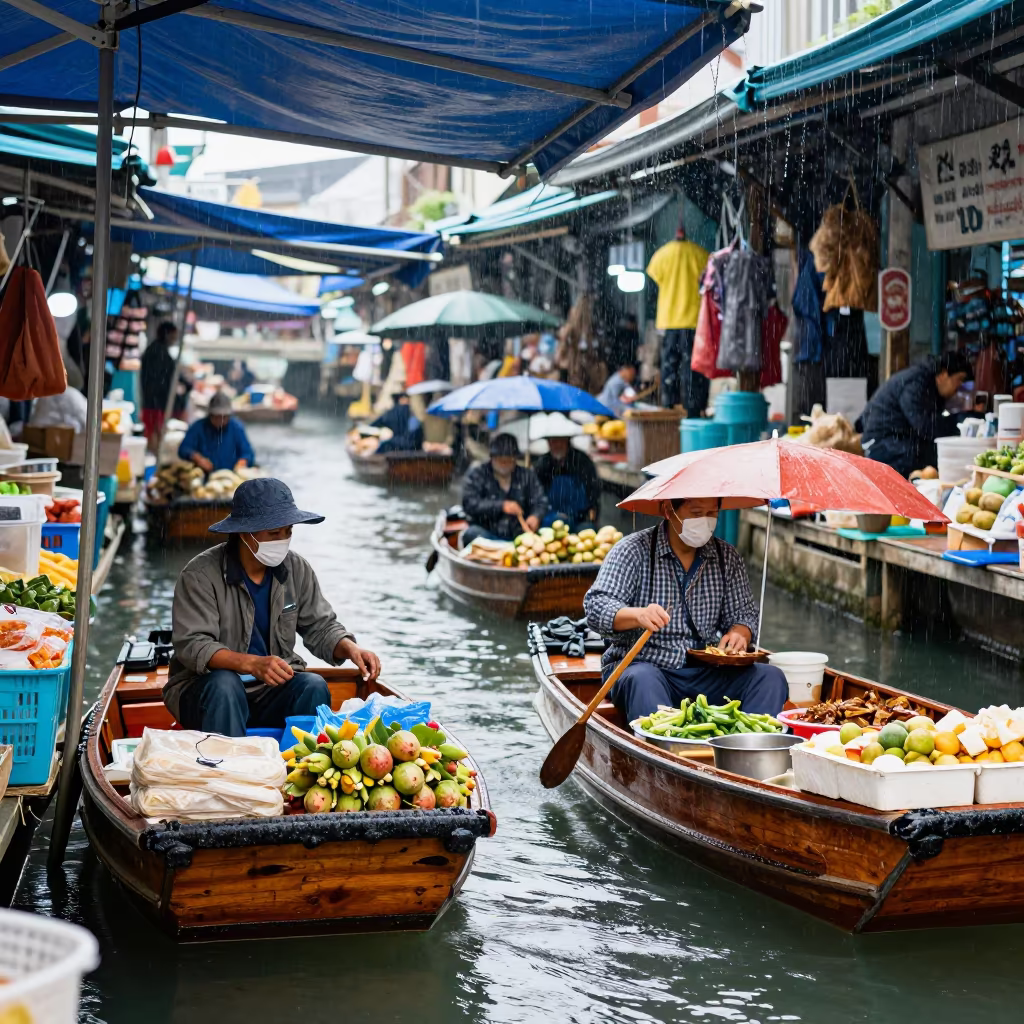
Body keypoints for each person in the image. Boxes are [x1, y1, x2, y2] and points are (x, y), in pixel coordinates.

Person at [165, 478, 381, 736]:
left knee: (313, 685)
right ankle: (227, 769)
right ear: (245, 533)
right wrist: (252, 664)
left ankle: (300, 768)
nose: (284, 539)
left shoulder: (296, 569)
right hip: (207, 693)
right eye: (274, 534)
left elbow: (320, 626)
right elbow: (193, 645)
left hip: (270, 691)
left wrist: (351, 649)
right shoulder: (200, 575)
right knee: (225, 684)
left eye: (288, 531)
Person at [583, 496, 787, 726]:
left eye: (712, 514)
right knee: (643, 680)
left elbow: (744, 614)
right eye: (697, 513)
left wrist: (740, 633)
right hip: (646, 668)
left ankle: (747, 748)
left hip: (707, 672)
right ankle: (664, 753)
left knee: (769, 677)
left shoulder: (726, 558)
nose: (706, 522)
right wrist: (638, 615)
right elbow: (596, 606)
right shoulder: (632, 550)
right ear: (669, 510)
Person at [859, 351, 975, 479]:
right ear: (943, 374)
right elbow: (926, 426)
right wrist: (961, 421)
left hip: (896, 440)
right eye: (959, 379)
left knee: (935, 453)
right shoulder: (916, 383)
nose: (959, 386)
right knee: (934, 455)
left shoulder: (929, 384)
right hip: (881, 444)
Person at [461, 433, 547, 545]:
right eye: (500, 460)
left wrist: (535, 516)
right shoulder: (478, 474)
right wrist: (501, 506)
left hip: (520, 536)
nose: (504, 464)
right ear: (492, 458)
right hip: (488, 535)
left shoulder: (527, 476)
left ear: (515, 459)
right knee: (471, 533)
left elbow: (541, 501)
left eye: (509, 460)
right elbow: (469, 504)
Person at [534, 433, 600, 530]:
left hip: (579, 518)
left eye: (560, 441)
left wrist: (590, 515)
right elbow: (536, 496)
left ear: (567, 441)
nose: (556, 445)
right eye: (553, 441)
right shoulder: (542, 464)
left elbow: (594, 491)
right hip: (551, 516)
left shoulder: (582, 461)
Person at [179, 391, 255, 473]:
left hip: (231, 476)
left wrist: (242, 462)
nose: (220, 421)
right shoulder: (198, 427)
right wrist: (198, 458)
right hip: (204, 476)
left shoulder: (237, 427)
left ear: (229, 415)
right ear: (210, 415)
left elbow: (247, 453)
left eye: (224, 417)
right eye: (217, 417)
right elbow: (184, 449)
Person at [140, 321, 179, 447]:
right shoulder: (158, 352)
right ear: (167, 334)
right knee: (153, 434)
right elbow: (158, 379)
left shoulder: (156, 349)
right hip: (154, 402)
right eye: (173, 335)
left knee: (154, 433)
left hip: (155, 401)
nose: (175, 339)